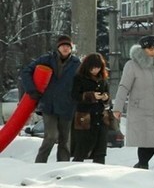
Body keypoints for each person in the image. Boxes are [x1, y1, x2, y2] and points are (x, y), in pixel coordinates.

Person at [113, 35, 154, 169]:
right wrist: (117, 108)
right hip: (139, 109)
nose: (152, 51)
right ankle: (142, 165)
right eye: (150, 48)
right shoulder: (132, 65)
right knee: (144, 141)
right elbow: (124, 87)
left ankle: (141, 165)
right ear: (143, 48)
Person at [20, 34, 81, 163]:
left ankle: (62, 167)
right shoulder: (47, 59)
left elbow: (83, 82)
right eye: (63, 46)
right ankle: (39, 164)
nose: (65, 48)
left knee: (65, 140)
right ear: (58, 47)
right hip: (49, 105)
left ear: (71, 48)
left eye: (68, 46)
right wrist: (32, 90)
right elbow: (26, 71)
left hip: (67, 106)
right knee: (51, 136)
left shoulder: (76, 64)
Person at [71, 53, 111, 164]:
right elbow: (74, 95)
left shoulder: (103, 79)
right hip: (85, 116)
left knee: (101, 148)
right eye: (93, 68)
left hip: (101, 116)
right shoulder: (79, 78)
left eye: (98, 68)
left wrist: (106, 97)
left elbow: (107, 95)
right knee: (82, 147)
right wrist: (91, 95)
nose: (95, 70)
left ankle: (99, 171)